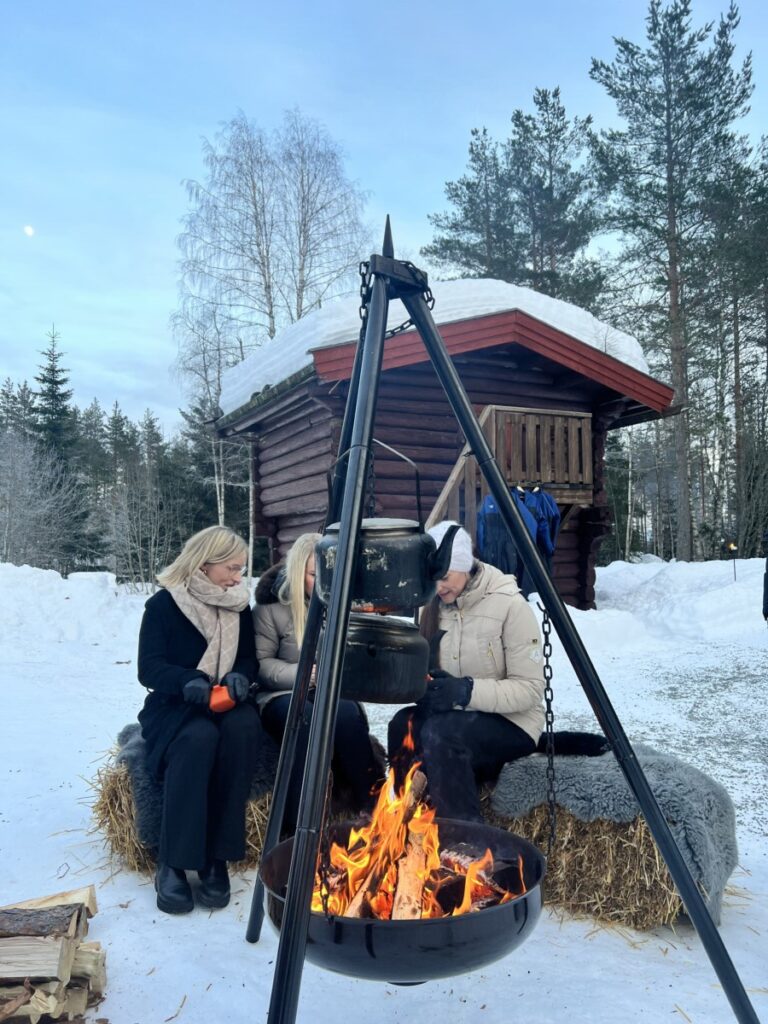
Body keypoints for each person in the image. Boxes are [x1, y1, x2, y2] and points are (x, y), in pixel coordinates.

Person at [137, 526, 264, 915]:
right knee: (198, 739)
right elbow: (149, 668)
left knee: (244, 728)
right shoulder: (164, 605)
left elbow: (247, 659)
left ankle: (217, 858)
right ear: (204, 563)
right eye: (231, 568)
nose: (238, 577)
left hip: (224, 701)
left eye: (241, 569)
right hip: (176, 705)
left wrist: (241, 677)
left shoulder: (239, 606)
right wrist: (186, 680)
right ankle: (173, 862)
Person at [388, 520, 545, 822]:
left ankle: (464, 837)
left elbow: (529, 689)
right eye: (433, 578)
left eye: (445, 577)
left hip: (513, 723)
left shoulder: (510, 606)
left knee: (441, 733)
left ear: (466, 565)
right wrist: (425, 687)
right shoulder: (432, 607)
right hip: (459, 716)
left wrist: (465, 690)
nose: (438, 586)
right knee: (401, 724)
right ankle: (407, 822)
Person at [253, 532, 384, 830]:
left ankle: (372, 803)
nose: (324, 581)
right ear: (299, 572)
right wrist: (301, 673)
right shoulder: (270, 608)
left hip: (326, 690)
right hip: (280, 693)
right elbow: (260, 665)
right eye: (315, 574)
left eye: (330, 573)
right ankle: (295, 821)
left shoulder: (338, 607)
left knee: (347, 714)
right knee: (306, 717)